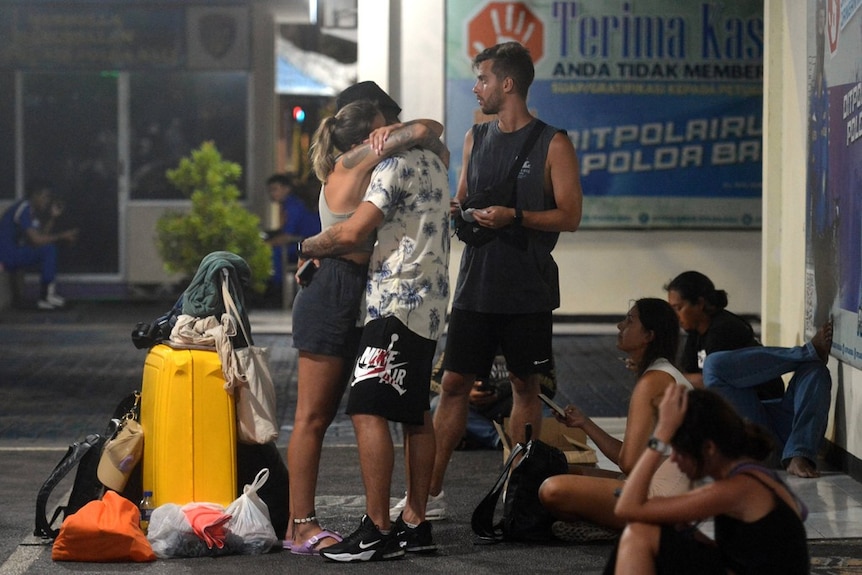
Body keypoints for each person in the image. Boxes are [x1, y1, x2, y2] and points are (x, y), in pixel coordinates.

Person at [415, 40, 583, 521]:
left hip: (527, 287)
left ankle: (519, 491)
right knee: (451, 385)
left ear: (507, 84)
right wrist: (454, 211)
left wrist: (515, 216)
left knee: (525, 386)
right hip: (476, 285)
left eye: (484, 79)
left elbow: (570, 216)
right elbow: (463, 199)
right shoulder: (474, 137)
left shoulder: (554, 142)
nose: (477, 87)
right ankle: (430, 495)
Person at [286, 91, 447, 556]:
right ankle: (301, 524)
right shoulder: (358, 159)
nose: (391, 129)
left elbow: (432, 137)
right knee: (314, 416)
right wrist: (308, 249)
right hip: (335, 286)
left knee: (384, 406)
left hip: (360, 287)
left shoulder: (376, 164)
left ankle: (399, 521)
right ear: (367, 133)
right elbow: (426, 130)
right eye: (383, 123)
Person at [606, 384, 809, 575]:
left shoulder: (739, 488)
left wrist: (660, 435)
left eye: (678, 450)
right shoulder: (749, 475)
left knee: (639, 535)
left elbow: (627, 507)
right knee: (653, 527)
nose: (673, 458)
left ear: (709, 449)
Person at [537, 298, 693, 543]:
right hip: (659, 485)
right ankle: (613, 524)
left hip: (662, 497)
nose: (620, 326)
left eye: (629, 321)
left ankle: (623, 526)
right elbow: (630, 460)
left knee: (551, 489)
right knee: (564, 471)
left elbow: (628, 463)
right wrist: (584, 423)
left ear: (649, 335)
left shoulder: (652, 382)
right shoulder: (662, 373)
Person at [666, 270, 833, 478]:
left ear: (699, 303)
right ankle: (806, 353)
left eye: (678, 308)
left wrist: (672, 376)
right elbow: (689, 382)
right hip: (749, 429)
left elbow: (697, 381)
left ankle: (799, 453)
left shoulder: (725, 328)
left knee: (815, 370)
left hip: (773, 419)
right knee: (713, 365)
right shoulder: (694, 335)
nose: (676, 316)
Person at [0, 180, 78, 310]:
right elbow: (36, 241)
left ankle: (47, 295)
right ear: (35, 195)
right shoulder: (23, 209)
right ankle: (46, 297)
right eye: (45, 196)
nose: (47, 201)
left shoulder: (32, 211)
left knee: (47, 248)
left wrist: (53, 217)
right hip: (6, 256)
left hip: (14, 252)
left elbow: (40, 236)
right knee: (49, 249)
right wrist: (61, 236)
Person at [263, 172, 321, 302]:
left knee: (275, 252)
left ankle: (277, 290)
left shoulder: (293, 205)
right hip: (300, 241)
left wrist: (266, 245)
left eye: (275, 189)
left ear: (286, 188)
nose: (272, 194)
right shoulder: (287, 205)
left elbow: (288, 235)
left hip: (305, 243)